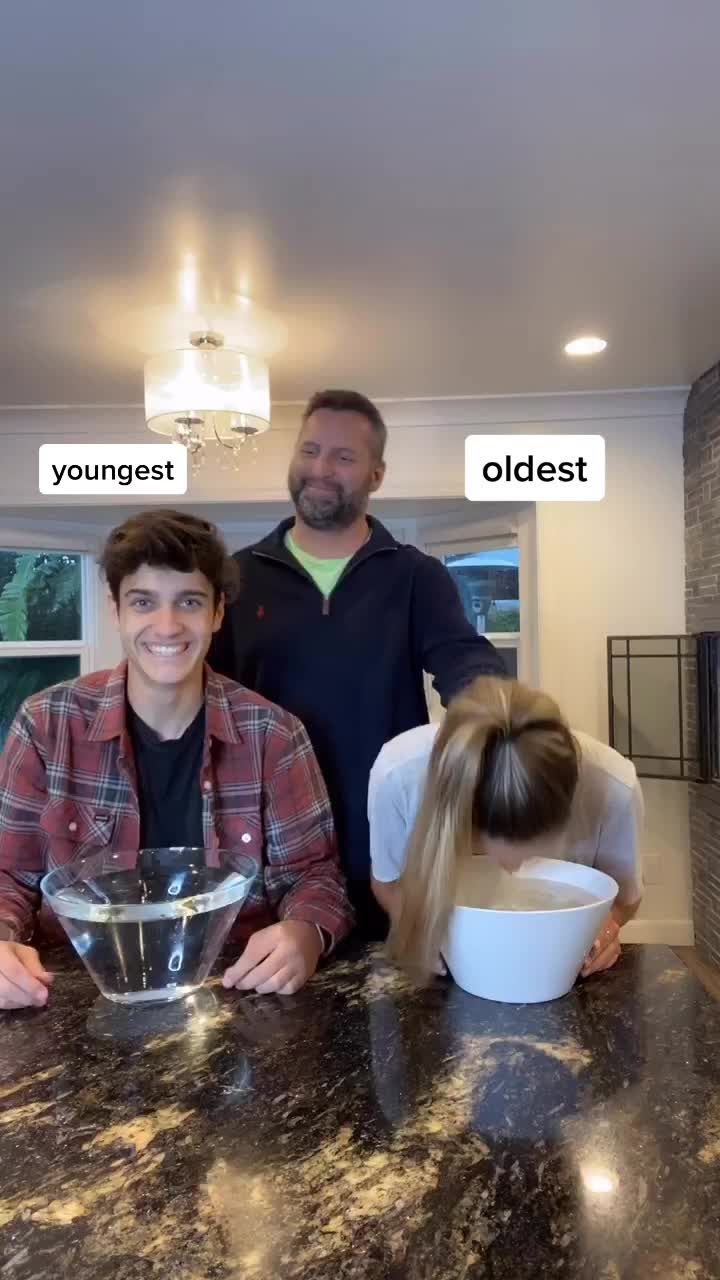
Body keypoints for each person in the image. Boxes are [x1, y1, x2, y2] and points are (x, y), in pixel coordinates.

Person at [0, 510, 353, 1011]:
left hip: (236, 994)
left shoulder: (274, 734)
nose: (166, 626)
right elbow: (8, 878)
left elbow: (316, 877)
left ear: (217, 613)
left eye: (188, 602)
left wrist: (305, 934)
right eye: (144, 602)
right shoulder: (46, 724)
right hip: (75, 996)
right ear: (116, 610)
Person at [210, 388, 506, 936]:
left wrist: (504, 719)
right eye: (310, 450)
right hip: (268, 858)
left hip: (388, 852)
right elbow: (205, 701)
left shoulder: (416, 577)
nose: (320, 469)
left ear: (376, 474)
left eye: (343, 457)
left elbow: (465, 664)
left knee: (402, 1013)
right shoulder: (236, 577)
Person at [368, 676, 643, 976]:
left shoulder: (614, 788)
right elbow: (388, 883)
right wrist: (426, 936)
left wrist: (604, 930)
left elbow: (625, 898)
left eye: (532, 853)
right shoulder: (399, 778)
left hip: (560, 970)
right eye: (488, 847)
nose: (513, 870)